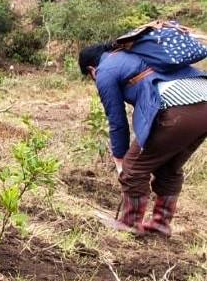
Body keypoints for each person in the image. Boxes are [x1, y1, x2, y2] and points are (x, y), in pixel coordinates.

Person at [80, 43, 207, 236]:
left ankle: (130, 223)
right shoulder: (135, 55)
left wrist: (120, 160)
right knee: (168, 167)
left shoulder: (104, 71)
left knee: (134, 167)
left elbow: (117, 121)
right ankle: (160, 224)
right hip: (202, 97)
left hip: (177, 106)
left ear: (91, 69)